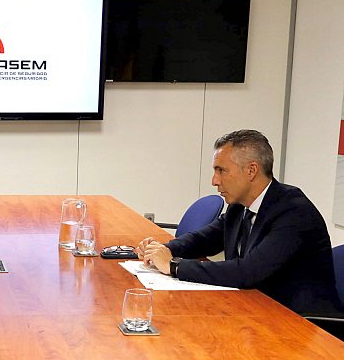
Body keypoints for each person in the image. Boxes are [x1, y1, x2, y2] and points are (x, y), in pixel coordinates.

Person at [137, 129, 342, 315]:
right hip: (257, 309)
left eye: (221, 170)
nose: (214, 180)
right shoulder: (239, 205)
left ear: (251, 170)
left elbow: (248, 272)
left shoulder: (293, 212)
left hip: (303, 326)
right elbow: (205, 239)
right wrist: (162, 250)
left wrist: (174, 266)